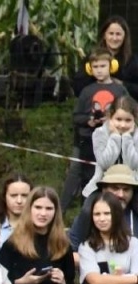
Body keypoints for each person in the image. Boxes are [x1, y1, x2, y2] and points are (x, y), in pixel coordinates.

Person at [66, 50, 126, 208]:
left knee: (113, 178)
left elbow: (130, 111)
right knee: (89, 180)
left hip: (115, 142)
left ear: (111, 66)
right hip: (89, 143)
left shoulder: (120, 90)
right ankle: (88, 211)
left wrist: (113, 119)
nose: (99, 70)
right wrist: (89, 121)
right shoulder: (86, 91)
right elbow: (76, 117)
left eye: (103, 66)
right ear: (89, 69)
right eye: (95, 66)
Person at [68, 163, 138, 246]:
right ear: (103, 190)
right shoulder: (88, 213)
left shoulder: (135, 214)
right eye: (115, 188)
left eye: (126, 189)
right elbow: (70, 250)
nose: (121, 194)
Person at [84, 95, 138, 197]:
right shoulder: (99, 133)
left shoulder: (136, 136)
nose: (122, 125)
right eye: (118, 119)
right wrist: (115, 137)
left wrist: (127, 138)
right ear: (110, 117)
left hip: (132, 186)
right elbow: (105, 163)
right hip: (103, 184)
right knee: (87, 211)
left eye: (128, 120)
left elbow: (133, 165)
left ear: (134, 119)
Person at [0, 172, 32, 246]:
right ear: (4, 197)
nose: (19, 201)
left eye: (24, 195)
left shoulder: (40, 227)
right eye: (13, 195)